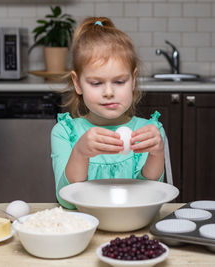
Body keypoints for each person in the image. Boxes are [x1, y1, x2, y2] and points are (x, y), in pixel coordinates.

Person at [51, 17, 166, 209]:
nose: (109, 92)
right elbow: (66, 201)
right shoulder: (65, 132)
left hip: (134, 229)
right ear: (77, 83)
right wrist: (80, 153)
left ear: (133, 80)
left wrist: (157, 153)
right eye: (96, 83)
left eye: (119, 81)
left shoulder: (149, 130)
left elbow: (150, 193)